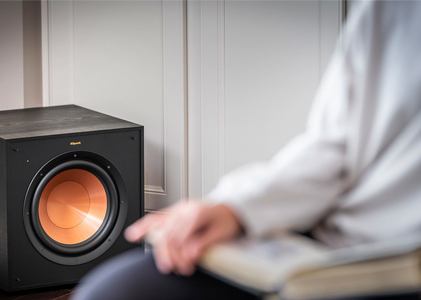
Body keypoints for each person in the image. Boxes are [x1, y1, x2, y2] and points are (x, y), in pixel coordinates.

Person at [72, 1, 421, 299]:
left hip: (403, 266)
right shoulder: (387, 9)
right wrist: (235, 208)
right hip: (334, 246)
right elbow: (334, 144)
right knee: (114, 290)